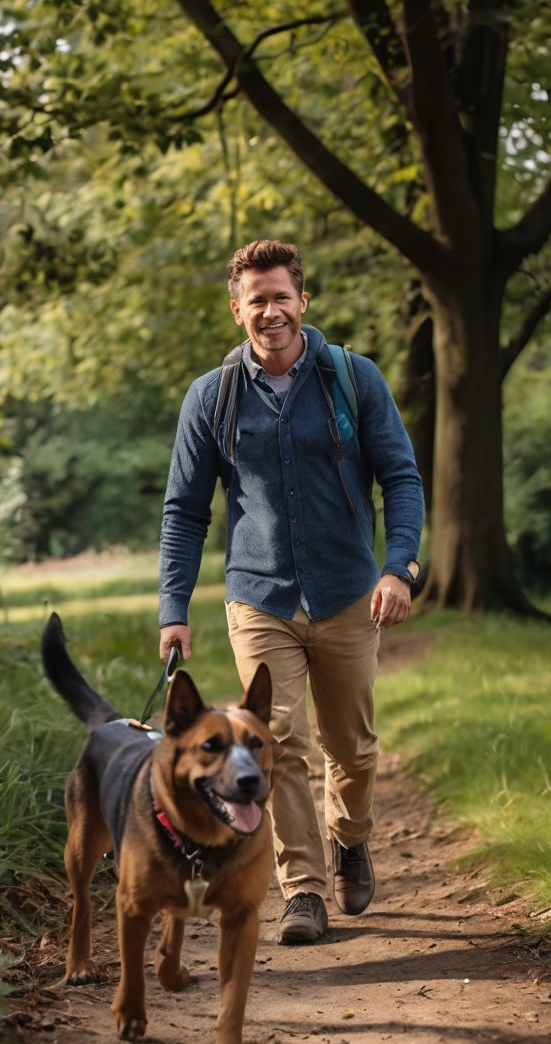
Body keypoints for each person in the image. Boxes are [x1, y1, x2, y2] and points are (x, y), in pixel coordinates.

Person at [158, 239, 424, 945]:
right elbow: (185, 511)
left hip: (346, 592)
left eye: (281, 296)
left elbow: (401, 477)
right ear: (236, 308)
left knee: (354, 748)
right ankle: (303, 888)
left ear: (302, 301)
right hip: (259, 598)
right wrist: (172, 609)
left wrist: (398, 566)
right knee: (278, 740)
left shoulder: (352, 378)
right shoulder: (211, 397)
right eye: (256, 299)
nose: (269, 311)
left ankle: (350, 835)